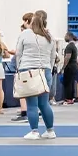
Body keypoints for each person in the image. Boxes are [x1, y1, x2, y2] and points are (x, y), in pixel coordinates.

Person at [16, 10, 57, 140]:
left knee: (32, 104)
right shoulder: (50, 36)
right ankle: (50, 131)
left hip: (29, 71)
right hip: (45, 70)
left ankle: (34, 131)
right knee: (44, 103)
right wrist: (48, 68)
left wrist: (19, 68)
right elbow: (52, 57)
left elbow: (18, 53)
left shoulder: (25, 34)